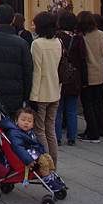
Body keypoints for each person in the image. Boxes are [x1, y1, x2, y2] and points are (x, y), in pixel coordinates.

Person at [0, 108, 64, 191]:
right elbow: (18, 148)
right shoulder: (14, 133)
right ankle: (47, 179)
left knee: (48, 158)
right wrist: (28, 160)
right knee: (43, 162)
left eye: (29, 121)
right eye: (23, 120)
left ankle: (50, 175)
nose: (26, 122)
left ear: (33, 124)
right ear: (16, 121)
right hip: (25, 156)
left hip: (32, 151)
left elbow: (36, 144)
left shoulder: (29, 131)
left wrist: (42, 152)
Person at [29, 11, 61, 167]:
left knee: (40, 130)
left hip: (41, 93)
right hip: (55, 92)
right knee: (51, 130)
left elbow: (37, 71)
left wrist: (33, 96)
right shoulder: (58, 42)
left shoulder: (37, 44)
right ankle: (53, 163)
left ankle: (45, 165)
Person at [55, 11, 86, 146]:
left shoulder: (57, 38)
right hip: (74, 77)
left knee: (58, 109)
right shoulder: (79, 39)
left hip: (60, 76)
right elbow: (83, 60)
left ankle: (57, 137)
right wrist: (84, 80)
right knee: (72, 109)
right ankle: (72, 137)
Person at [77, 11, 103, 142]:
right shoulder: (102, 35)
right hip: (100, 74)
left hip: (87, 76)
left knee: (88, 104)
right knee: (99, 103)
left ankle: (92, 133)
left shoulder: (81, 37)